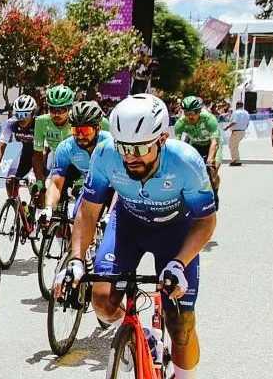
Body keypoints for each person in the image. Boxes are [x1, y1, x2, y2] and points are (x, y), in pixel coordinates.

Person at [55, 94, 217, 379]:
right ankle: (141, 335)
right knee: (103, 300)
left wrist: (180, 263)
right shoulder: (106, 154)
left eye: (140, 148)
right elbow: (88, 212)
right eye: (124, 147)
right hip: (128, 226)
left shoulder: (186, 162)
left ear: (162, 138)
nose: (130, 156)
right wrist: (77, 259)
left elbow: (205, 220)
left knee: (180, 324)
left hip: (176, 232)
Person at [38, 101, 111, 222]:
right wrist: (49, 208)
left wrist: (110, 214)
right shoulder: (66, 147)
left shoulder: (111, 144)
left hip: (116, 189)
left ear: (98, 128)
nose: (80, 136)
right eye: (76, 131)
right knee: (79, 218)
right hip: (93, 187)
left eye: (85, 131)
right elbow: (56, 183)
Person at [0, 95, 38, 200]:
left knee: (37, 188)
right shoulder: (12, 123)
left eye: (25, 114)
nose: (21, 118)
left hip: (41, 156)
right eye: (18, 114)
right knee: (10, 182)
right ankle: (20, 213)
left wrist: (33, 172)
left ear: (33, 113)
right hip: (25, 154)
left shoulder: (40, 124)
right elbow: (1, 146)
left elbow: (44, 151)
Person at [32, 84, 76, 198]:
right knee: (46, 195)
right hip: (58, 161)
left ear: (70, 109)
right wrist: (39, 180)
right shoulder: (41, 121)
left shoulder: (77, 121)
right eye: (52, 109)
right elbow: (37, 154)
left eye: (61, 110)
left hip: (79, 163)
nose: (56, 114)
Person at [174, 96, 223, 196]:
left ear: (199, 111)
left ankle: (215, 191)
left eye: (192, 113)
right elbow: (177, 144)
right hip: (196, 145)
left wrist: (210, 159)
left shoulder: (209, 119)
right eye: (186, 113)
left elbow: (214, 142)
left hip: (212, 144)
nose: (189, 117)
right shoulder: (180, 123)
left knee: (212, 173)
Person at [225, 102, 250, 166]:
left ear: (237, 105)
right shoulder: (246, 113)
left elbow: (234, 122)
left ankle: (235, 160)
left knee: (232, 145)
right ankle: (236, 159)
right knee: (234, 146)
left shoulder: (236, 113)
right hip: (242, 131)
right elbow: (247, 123)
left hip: (236, 131)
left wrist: (227, 127)